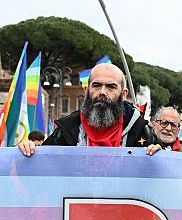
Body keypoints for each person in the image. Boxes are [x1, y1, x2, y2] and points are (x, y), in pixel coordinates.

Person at [17, 63, 160, 156]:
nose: (102, 92)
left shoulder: (141, 130)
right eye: (96, 85)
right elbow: (43, 165)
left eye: (111, 86)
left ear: (124, 94)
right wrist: (29, 149)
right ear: (87, 90)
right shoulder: (67, 128)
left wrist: (159, 155)